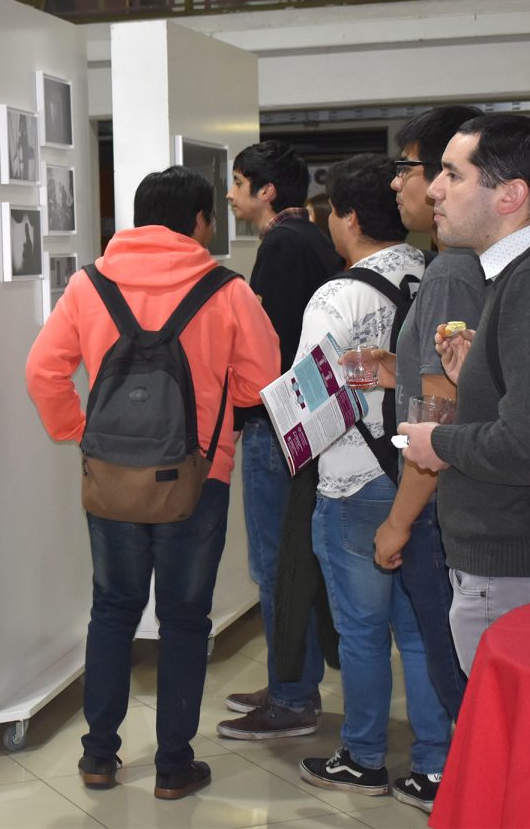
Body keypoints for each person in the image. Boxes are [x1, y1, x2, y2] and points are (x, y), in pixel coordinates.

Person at [25, 166, 279, 800]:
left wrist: (81, 433)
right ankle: (172, 765)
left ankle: (99, 757)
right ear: (197, 221)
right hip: (199, 478)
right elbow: (261, 380)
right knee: (185, 620)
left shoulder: (89, 286)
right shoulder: (226, 289)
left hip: (111, 480)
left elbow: (42, 371)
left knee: (112, 611)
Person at [399, 113, 530, 678]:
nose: (433, 189)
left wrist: (439, 442)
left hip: (524, 569)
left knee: (525, 748)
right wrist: (477, 377)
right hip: (516, 566)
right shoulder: (518, 274)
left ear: (511, 195)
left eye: (452, 174)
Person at [295, 156, 451, 811]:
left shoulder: (338, 293)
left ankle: (361, 755)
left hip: (355, 481)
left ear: (349, 217)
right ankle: (434, 763)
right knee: (419, 628)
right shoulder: (435, 274)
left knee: (362, 631)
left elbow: (310, 398)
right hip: (425, 473)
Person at [217, 141, 342, 740]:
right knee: (290, 558)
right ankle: (289, 679)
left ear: (267, 191)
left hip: (278, 421)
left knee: (276, 564)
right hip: (305, 418)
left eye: (238, 182)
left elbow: (266, 347)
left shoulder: (283, 244)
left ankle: (292, 696)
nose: (230, 193)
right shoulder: (311, 237)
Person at [372, 105, 484, 731]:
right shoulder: (468, 267)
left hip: (439, 513)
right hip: (460, 510)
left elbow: (439, 422)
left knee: (454, 674)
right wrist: (398, 366)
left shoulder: (448, 272)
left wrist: (397, 523)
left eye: (409, 168)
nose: (401, 183)